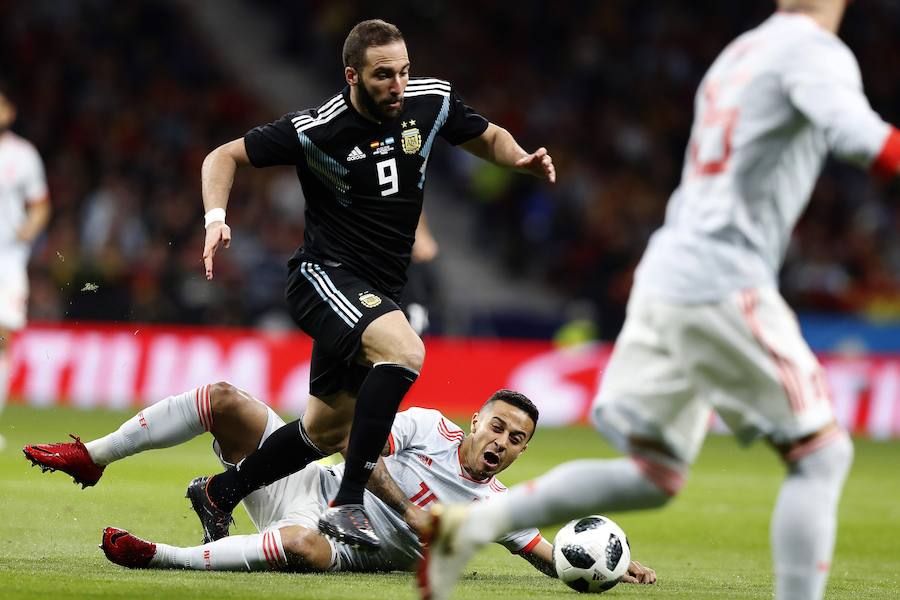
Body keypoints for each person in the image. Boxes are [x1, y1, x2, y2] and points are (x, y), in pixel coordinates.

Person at [417, 2, 900, 599]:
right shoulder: (814, 52)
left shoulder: (738, 56)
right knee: (822, 456)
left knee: (654, 476)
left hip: (667, 272)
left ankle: (475, 521)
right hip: (725, 276)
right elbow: (864, 140)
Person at [197, 19, 555, 550]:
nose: (398, 85)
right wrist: (215, 218)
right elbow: (223, 155)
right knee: (406, 349)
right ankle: (347, 504)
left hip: (377, 290)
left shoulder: (428, 102)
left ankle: (219, 494)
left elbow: (489, 137)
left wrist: (519, 158)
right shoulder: (317, 129)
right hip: (324, 275)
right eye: (383, 75)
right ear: (353, 76)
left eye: (404, 71)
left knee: (324, 430)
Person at [21, 383, 654, 583]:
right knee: (223, 400)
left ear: (521, 453)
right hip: (308, 484)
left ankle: (159, 558)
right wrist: (407, 506)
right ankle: (94, 455)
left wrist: (610, 568)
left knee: (301, 545)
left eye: (516, 440)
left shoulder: (500, 506)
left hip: (339, 545)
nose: (501, 443)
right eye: (497, 427)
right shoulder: (430, 428)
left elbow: (552, 556)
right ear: (475, 421)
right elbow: (358, 446)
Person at [0, 83, 51, 451]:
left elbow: (40, 204)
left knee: (3, 338)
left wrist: (27, 231)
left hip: (6, 259)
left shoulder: (23, 155)